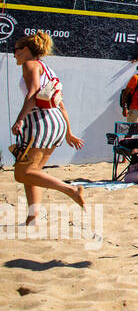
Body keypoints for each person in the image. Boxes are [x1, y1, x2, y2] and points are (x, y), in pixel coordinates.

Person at [8, 32, 86, 225]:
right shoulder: (48, 69)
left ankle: (71, 190)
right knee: (33, 172)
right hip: (56, 121)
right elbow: (61, 104)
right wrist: (67, 132)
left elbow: (33, 94)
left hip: (39, 121)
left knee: (22, 173)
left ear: (26, 49)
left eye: (15, 50)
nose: (14, 54)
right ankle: (33, 217)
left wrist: (19, 120)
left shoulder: (30, 65)